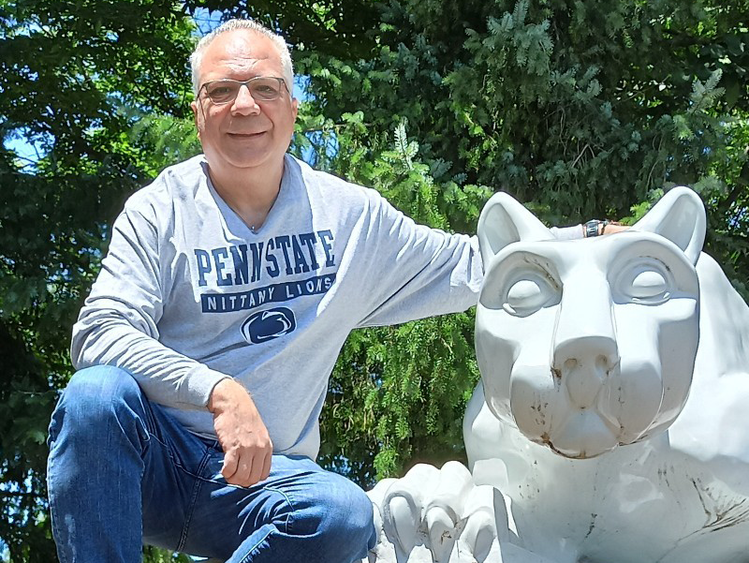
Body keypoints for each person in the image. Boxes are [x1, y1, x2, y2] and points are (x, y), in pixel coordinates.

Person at [46, 18, 595, 563]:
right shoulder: (158, 211)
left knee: (343, 514)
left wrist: (590, 238)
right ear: (198, 113)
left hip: (266, 489)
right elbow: (99, 334)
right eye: (221, 90)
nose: (244, 105)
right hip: (155, 464)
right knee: (95, 398)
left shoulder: (350, 220)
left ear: (291, 109)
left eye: (264, 88)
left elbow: (471, 263)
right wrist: (219, 392)